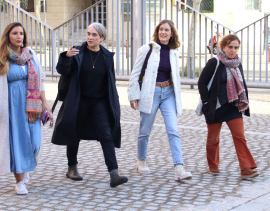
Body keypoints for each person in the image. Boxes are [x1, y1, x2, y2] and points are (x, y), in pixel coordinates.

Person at [51, 22, 128, 187]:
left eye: (94, 35)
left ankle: (114, 173)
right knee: (74, 133)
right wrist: (66, 57)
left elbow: (110, 82)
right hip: (79, 100)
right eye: (88, 34)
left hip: (99, 103)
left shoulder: (107, 57)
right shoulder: (77, 53)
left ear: (102, 38)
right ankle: (72, 167)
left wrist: (114, 101)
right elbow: (62, 70)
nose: (90, 37)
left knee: (106, 134)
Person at [128, 20, 192, 181]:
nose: (163, 32)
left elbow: (175, 77)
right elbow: (135, 74)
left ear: (172, 34)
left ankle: (179, 168)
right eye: (161, 29)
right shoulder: (147, 49)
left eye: (167, 30)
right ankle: (140, 161)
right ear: (157, 32)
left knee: (173, 130)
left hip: (169, 92)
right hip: (151, 93)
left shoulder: (174, 51)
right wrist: (133, 95)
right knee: (145, 131)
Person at [198, 34, 259, 179]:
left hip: (233, 106)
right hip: (216, 106)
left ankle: (245, 168)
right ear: (223, 47)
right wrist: (206, 103)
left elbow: (242, 83)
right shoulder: (215, 62)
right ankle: (213, 165)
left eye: (236, 47)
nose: (233, 50)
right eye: (230, 47)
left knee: (240, 137)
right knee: (213, 139)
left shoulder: (238, 63)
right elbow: (201, 83)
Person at [0, 22, 50, 195]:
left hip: (32, 104)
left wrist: (44, 103)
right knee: (18, 141)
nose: (19, 36)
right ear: (8, 36)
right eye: (14, 33)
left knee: (35, 142)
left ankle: (26, 166)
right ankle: (19, 181)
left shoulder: (31, 55)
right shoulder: (3, 58)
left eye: (21, 33)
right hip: (12, 105)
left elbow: (41, 81)